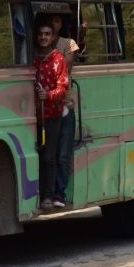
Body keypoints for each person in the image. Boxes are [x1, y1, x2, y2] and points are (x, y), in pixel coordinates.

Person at [34, 22, 69, 211]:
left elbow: (63, 88)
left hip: (52, 116)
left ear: (53, 37)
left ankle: (48, 195)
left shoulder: (58, 59)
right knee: (36, 155)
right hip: (32, 117)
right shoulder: (32, 58)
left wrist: (48, 95)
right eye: (40, 34)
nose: (43, 37)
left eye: (47, 33)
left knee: (49, 156)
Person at [50, 14, 79, 208]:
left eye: (57, 20)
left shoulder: (68, 44)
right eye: (51, 20)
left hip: (64, 106)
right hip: (45, 108)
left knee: (62, 154)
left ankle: (59, 193)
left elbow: (64, 67)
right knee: (48, 154)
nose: (54, 23)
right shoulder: (37, 44)